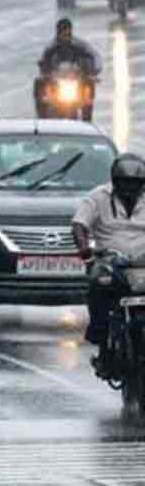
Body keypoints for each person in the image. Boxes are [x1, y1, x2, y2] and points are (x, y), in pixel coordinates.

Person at [74, 153, 145, 378]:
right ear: (114, 181)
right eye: (124, 183)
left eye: (135, 184)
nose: (129, 188)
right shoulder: (98, 197)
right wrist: (84, 248)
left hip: (142, 263)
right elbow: (79, 225)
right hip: (110, 261)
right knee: (99, 283)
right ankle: (102, 340)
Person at [34, 18, 102, 118]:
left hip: (76, 80)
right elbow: (43, 61)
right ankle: (42, 116)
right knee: (39, 84)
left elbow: (95, 56)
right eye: (62, 33)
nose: (65, 36)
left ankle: (87, 117)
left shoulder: (80, 46)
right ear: (58, 33)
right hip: (57, 82)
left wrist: (94, 70)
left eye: (67, 33)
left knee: (89, 85)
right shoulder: (50, 48)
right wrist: (45, 72)